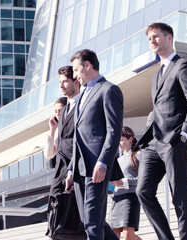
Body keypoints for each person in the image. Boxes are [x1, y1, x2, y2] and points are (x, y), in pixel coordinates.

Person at [136, 23, 187, 240]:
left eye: (156, 36)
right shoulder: (157, 74)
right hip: (154, 142)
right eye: (149, 38)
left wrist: (186, 133)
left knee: (180, 197)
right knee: (143, 191)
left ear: (169, 38)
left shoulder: (183, 65)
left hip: (175, 139)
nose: (152, 41)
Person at [66, 49, 123, 240]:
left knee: (92, 223)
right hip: (80, 169)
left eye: (76, 70)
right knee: (90, 221)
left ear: (88, 65)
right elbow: (79, 136)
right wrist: (71, 170)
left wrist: (103, 162)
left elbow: (114, 131)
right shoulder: (81, 96)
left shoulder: (108, 90)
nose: (74, 76)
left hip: (97, 167)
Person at [45, 66, 84, 239]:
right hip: (59, 173)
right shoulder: (63, 117)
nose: (61, 85)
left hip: (74, 169)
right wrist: (52, 132)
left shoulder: (80, 107)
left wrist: (72, 171)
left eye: (65, 81)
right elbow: (49, 154)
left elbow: (80, 142)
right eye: (59, 82)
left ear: (76, 80)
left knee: (79, 220)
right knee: (55, 218)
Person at [109, 126, 141, 240]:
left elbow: (144, 179)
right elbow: (113, 183)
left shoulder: (139, 155)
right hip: (116, 199)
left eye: (121, 139)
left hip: (130, 198)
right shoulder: (118, 160)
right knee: (113, 237)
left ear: (130, 139)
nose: (119, 143)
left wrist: (123, 182)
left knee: (128, 236)